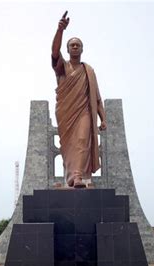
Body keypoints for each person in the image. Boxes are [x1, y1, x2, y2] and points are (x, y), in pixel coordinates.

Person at [51, 11, 107, 188]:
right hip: (66, 114)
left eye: (78, 45)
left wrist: (103, 118)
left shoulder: (88, 71)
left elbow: (96, 98)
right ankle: (70, 177)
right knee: (68, 149)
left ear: (82, 49)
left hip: (84, 112)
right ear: (67, 50)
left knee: (83, 140)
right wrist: (60, 30)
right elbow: (53, 52)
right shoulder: (62, 67)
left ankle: (78, 177)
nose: (75, 47)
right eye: (72, 45)